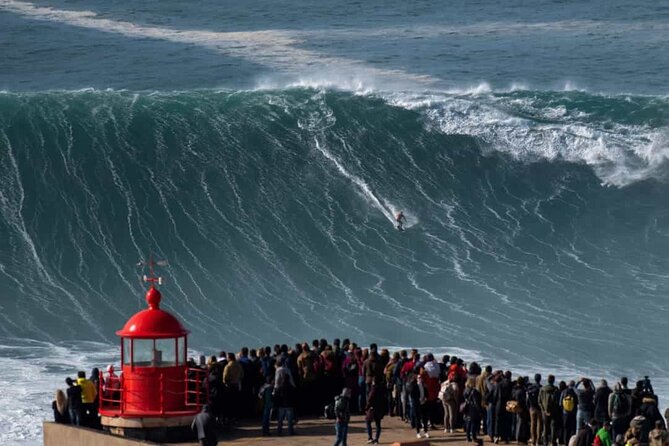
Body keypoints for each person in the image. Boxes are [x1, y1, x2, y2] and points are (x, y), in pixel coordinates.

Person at [539, 375, 561, 446]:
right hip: (553, 411)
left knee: (545, 427)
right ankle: (553, 442)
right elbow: (557, 401)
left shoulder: (542, 389)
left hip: (544, 411)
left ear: (547, 381)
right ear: (553, 381)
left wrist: (544, 410)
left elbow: (539, 401)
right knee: (553, 427)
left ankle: (545, 442)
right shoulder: (556, 389)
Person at [365, 378, 387, 444]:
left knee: (368, 421)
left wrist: (366, 407)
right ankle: (376, 439)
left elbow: (370, 399)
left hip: (373, 409)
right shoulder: (382, 389)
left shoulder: (373, 389)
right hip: (379, 409)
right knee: (378, 424)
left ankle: (370, 437)